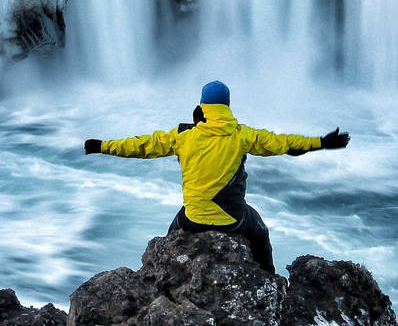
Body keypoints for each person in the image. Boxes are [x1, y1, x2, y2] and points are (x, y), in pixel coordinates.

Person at [83, 80, 349, 274]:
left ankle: (161, 267)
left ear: (202, 106)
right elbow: (284, 144)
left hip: (193, 219)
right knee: (260, 230)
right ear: (227, 106)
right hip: (233, 219)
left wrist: (102, 146)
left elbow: (140, 146)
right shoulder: (242, 135)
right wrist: (321, 142)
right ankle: (268, 277)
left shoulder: (183, 136)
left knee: (173, 229)